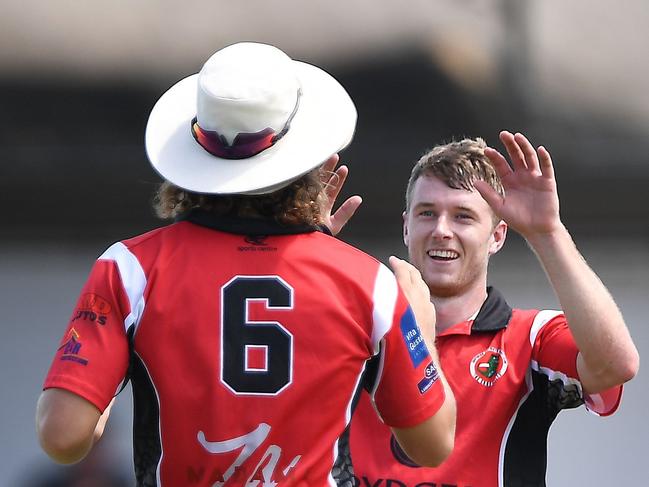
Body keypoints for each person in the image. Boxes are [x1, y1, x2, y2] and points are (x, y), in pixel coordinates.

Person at [35, 42, 456, 487]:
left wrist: (103, 393)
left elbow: (62, 438)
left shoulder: (129, 269)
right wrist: (421, 329)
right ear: (309, 158)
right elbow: (432, 445)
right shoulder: (368, 283)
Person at [334, 133, 639, 486]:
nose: (441, 230)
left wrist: (547, 232)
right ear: (406, 226)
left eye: (463, 217)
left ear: (497, 236)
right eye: (427, 213)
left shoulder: (531, 338)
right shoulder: (354, 332)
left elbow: (617, 364)